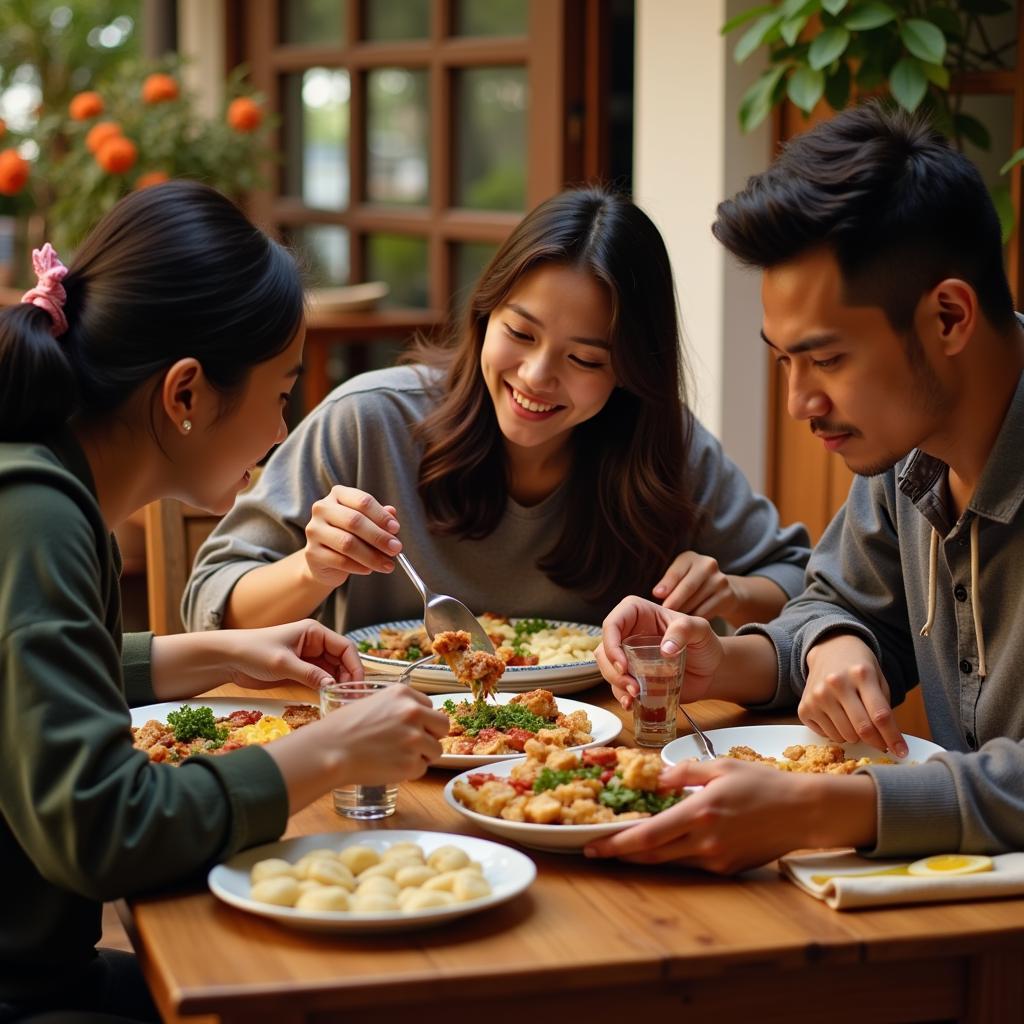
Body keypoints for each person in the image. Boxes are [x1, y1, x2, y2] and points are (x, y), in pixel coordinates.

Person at [0, 181, 447, 1023]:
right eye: (282, 394)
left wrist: (217, 652)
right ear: (185, 395)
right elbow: (102, 831)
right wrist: (333, 752)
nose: (285, 430)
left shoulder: (51, 487)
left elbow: (25, 683)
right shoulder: (37, 515)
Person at [590, 101, 1024, 874]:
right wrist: (734, 660)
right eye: (784, 360)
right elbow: (841, 602)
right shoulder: (908, 449)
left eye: (826, 360)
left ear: (949, 317)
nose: (800, 403)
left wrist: (825, 810)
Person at [182, 187, 810, 639]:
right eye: (520, 332)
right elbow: (209, 601)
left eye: (586, 360)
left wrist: (731, 593)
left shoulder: (663, 446)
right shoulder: (368, 423)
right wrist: (312, 568)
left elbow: (798, 579)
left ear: (629, 371)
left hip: (584, 759)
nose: (537, 377)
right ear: (485, 315)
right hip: (385, 750)